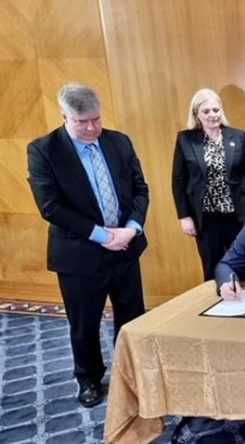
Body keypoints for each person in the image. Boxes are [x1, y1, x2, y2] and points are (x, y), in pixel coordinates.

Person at [27, 84, 149, 407]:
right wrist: (103, 236)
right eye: (83, 122)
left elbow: (140, 189)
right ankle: (89, 378)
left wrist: (131, 229)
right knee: (84, 324)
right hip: (79, 255)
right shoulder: (44, 150)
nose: (93, 127)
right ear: (65, 116)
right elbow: (50, 207)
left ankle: (131, 373)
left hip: (125, 248)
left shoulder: (119, 142)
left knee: (132, 316)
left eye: (96, 119)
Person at [172, 88, 245, 281]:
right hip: (206, 218)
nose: (212, 115)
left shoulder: (237, 136)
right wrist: (184, 216)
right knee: (212, 269)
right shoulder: (185, 139)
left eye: (216, 109)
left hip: (238, 216)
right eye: (206, 111)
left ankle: (243, 299)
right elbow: (178, 181)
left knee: (242, 266)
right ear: (196, 114)